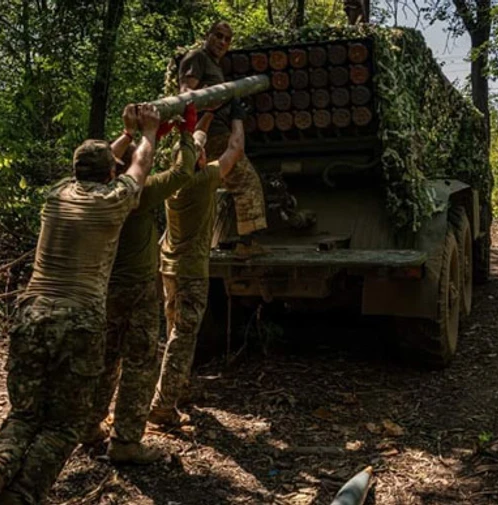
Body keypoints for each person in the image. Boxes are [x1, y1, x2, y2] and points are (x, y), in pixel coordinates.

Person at [0, 104, 161, 505]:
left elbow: (101, 162)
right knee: (65, 426)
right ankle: (24, 495)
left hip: (31, 313)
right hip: (79, 319)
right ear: (110, 174)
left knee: (24, 415)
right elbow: (140, 165)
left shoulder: (56, 195)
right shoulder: (115, 199)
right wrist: (149, 133)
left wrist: (125, 132)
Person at [81, 102, 202, 464]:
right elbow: (183, 171)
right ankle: (126, 441)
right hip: (136, 289)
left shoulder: (88, 192)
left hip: (103, 287)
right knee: (140, 362)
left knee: (105, 358)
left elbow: (106, 161)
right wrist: (185, 131)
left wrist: (133, 134)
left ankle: (89, 425)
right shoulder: (138, 194)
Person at [177, 20, 315, 254]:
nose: (222, 42)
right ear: (207, 35)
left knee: (207, 188)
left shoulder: (213, 65)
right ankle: (246, 245)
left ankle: (194, 241)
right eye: (218, 36)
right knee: (247, 182)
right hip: (210, 134)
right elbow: (186, 96)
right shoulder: (196, 57)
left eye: (227, 39)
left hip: (213, 132)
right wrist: (215, 103)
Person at [148, 102, 247, 427]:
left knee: (173, 328)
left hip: (169, 269)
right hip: (190, 271)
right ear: (200, 160)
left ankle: (181, 387)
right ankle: (163, 405)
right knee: (184, 335)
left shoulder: (171, 181)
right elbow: (235, 148)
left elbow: (193, 145)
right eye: (202, 151)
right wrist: (236, 116)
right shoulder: (204, 182)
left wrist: (202, 116)